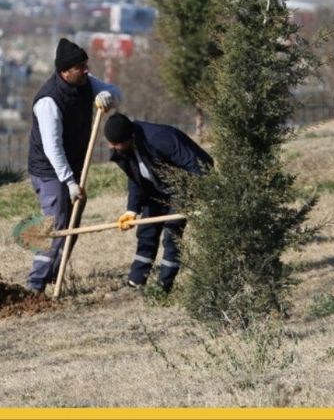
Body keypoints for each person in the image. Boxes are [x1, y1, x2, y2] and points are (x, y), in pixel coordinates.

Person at [26, 38, 122, 294]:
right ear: (65, 71)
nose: (86, 70)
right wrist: (68, 182)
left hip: (75, 165)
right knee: (57, 225)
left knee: (73, 224)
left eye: (85, 64)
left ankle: (54, 277)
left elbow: (117, 93)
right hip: (50, 171)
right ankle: (34, 285)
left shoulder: (86, 84)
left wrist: (107, 96)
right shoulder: (49, 101)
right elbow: (52, 148)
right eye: (80, 66)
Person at [103, 112, 213, 294]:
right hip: (157, 187)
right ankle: (136, 282)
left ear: (128, 138)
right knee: (147, 231)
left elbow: (199, 165)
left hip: (183, 185)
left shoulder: (161, 138)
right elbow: (136, 179)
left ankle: (164, 287)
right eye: (111, 144)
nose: (112, 148)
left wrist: (209, 194)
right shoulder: (124, 149)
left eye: (116, 144)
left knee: (172, 233)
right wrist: (132, 209)